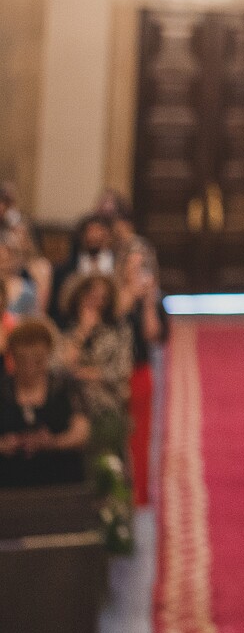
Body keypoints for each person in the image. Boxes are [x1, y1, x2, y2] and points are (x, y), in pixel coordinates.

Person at [0, 318, 90, 488]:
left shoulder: (65, 387)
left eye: (37, 361)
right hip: (9, 486)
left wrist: (53, 442)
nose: (29, 368)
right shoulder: (3, 389)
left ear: (48, 355)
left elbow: (81, 433)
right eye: (22, 360)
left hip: (60, 482)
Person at [60, 272, 132, 438]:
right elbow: (60, 368)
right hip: (71, 407)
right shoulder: (67, 330)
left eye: (102, 298)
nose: (95, 302)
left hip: (105, 406)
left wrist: (87, 373)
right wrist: (83, 332)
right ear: (79, 296)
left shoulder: (118, 332)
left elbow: (121, 371)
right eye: (91, 296)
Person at [117, 252, 161, 505]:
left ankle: (139, 492)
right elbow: (116, 315)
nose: (137, 272)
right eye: (131, 266)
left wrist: (147, 303)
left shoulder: (147, 298)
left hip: (140, 370)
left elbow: (152, 335)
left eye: (141, 267)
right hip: (116, 373)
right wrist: (131, 293)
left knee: (141, 435)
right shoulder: (113, 295)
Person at [49, 215, 115, 326]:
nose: (94, 236)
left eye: (98, 231)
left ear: (107, 236)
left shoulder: (118, 267)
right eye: (90, 231)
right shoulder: (63, 271)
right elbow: (56, 310)